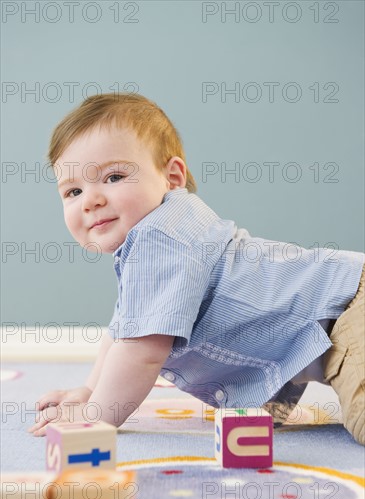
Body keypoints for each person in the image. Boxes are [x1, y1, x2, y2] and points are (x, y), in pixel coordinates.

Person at [29, 93, 365, 445]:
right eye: (72, 191)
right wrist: (89, 390)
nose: (91, 200)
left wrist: (95, 417)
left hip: (348, 306)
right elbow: (122, 331)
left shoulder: (161, 236)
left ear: (172, 177)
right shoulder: (158, 240)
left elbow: (141, 350)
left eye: (113, 177)